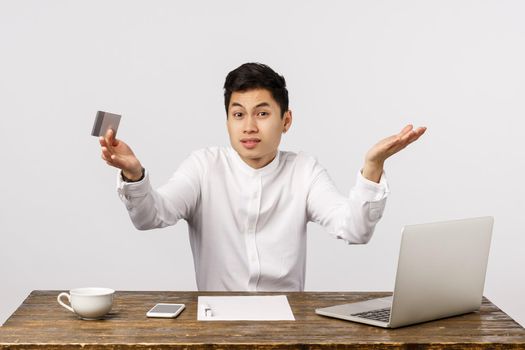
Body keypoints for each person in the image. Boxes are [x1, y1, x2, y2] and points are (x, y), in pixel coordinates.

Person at [98, 62, 426, 291]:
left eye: (263, 113)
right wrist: (134, 174)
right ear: (227, 120)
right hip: (216, 323)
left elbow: (354, 229)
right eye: (238, 114)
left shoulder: (303, 170)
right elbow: (151, 216)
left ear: (286, 120)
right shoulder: (203, 166)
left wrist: (372, 167)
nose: (249, 126)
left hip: (286, 322)